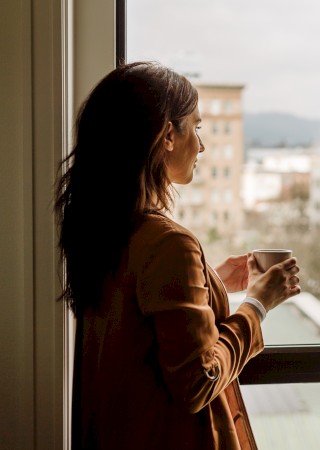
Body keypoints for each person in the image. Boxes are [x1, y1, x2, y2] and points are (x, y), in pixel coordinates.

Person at [55, 61, 301, 450]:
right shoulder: (169, 242)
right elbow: (197, 381)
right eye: (197, 127)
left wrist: (212, 281)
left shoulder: (106, 229)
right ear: (167, 135)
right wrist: (258, 303)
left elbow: (140, 322)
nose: (201, 145)